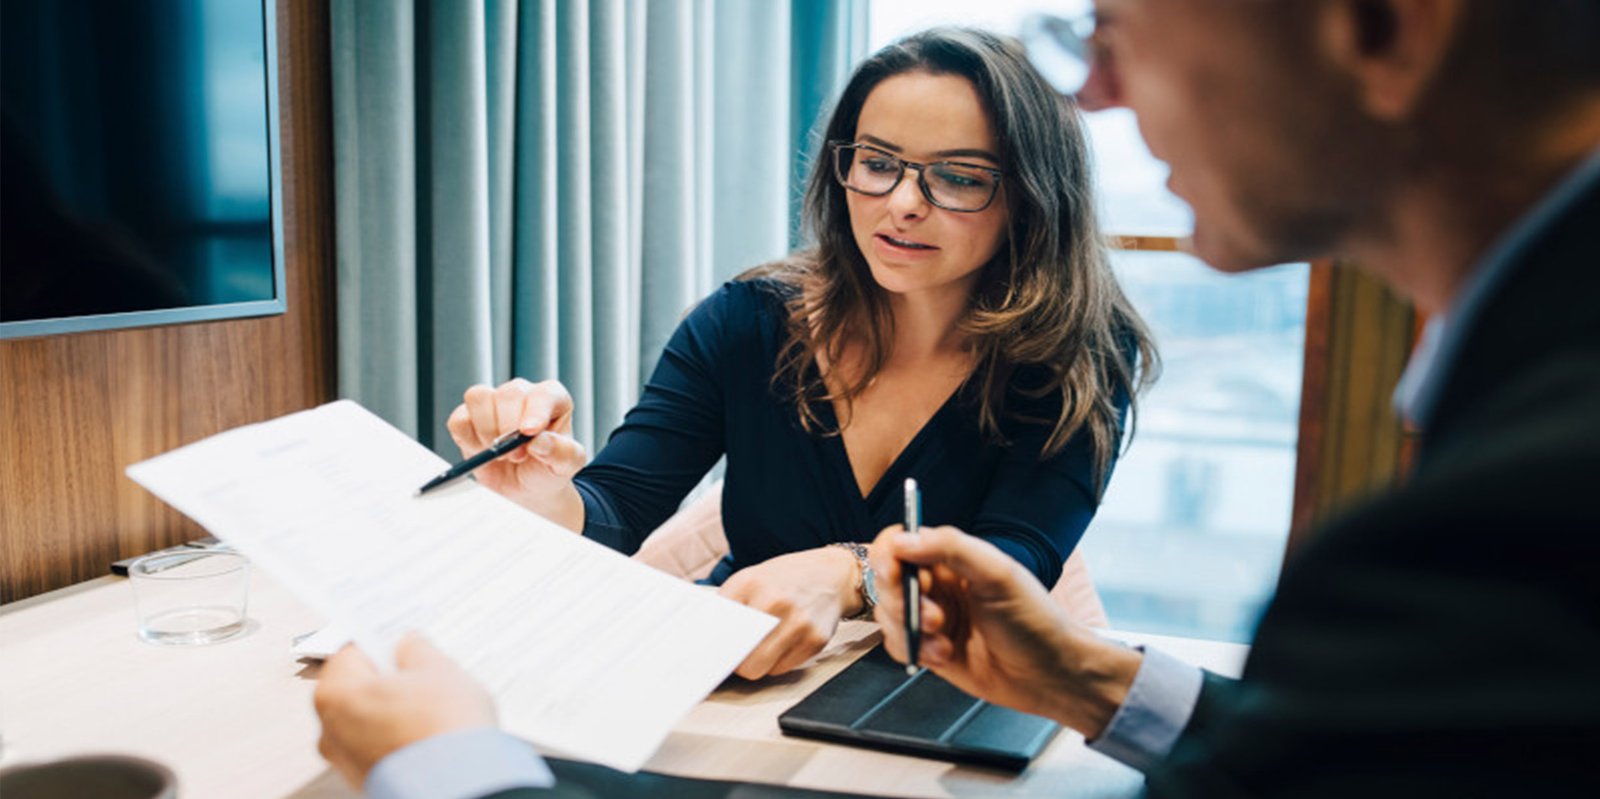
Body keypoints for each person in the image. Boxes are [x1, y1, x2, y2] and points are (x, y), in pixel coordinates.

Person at [864, 0, 1600, 796]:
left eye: (1119, 37)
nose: (1098, 93)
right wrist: (1082, 676)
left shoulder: (1509, 529)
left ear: (1383, 28)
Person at [438, 26, 1152, 681]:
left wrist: (854, 573)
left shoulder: (1077, 359)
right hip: (748, 677)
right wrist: (547, 496)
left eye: (959, 176)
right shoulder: (746, 322)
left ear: (1032, 197)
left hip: (936, 696)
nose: (902, 201)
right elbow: (619, 508)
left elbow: (1014, 566)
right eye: (877, 163)